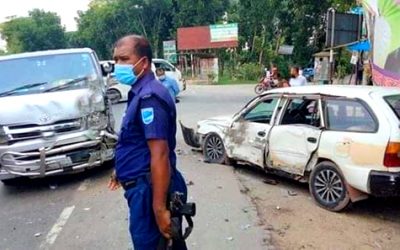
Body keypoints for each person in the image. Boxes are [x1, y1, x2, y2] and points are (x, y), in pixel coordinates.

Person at [108, 34, 188, 250]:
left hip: (150, 189)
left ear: (143, 62)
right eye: (116, 60)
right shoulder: (139, 92)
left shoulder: (149, 97)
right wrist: (121, 169)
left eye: (124, 59)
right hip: (143, 186)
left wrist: (159, 208)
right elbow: (135, 140)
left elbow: (160, 154)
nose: (118, 66)